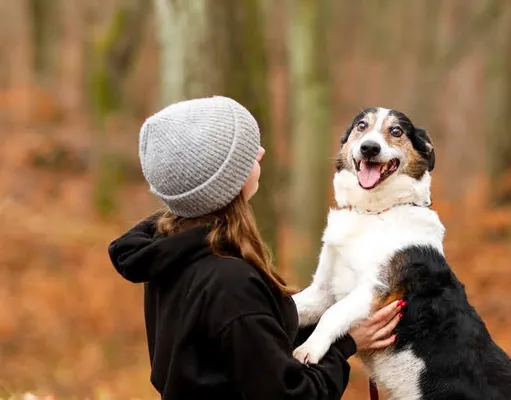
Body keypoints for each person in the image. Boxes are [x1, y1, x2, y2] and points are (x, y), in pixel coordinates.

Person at [108, 96, 403, 400]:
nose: (261, 152)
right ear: (224, 180)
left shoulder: (172, 250)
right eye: (248, 152)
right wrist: (345, 344)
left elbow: (249, 351)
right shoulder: (230, 283)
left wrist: (337, 316)